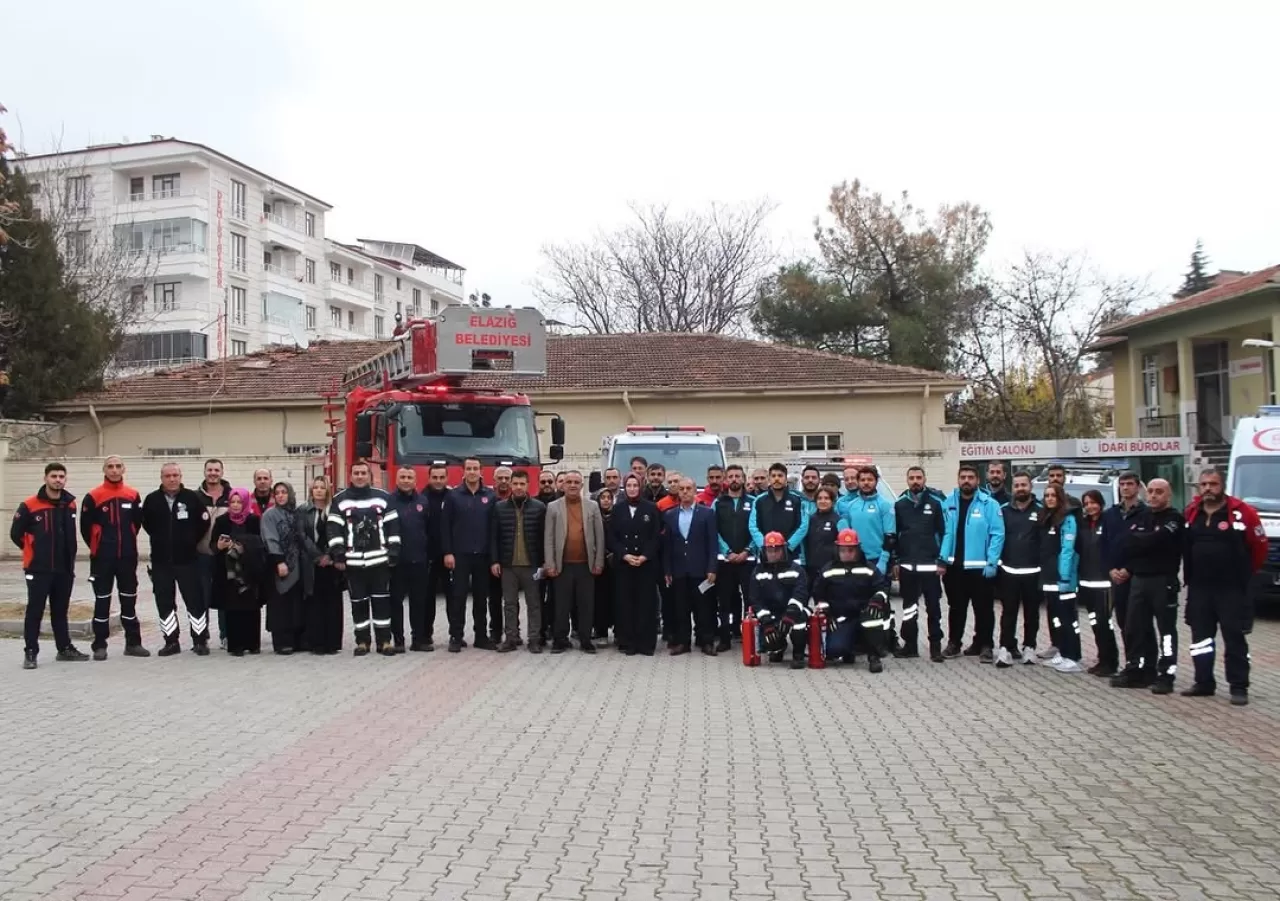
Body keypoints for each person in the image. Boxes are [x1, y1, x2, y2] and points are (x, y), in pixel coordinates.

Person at [1181, 467, 1267, 705]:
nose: (1208, 488)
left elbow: (1259, 546)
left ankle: (1239, 686)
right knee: (1200, 639)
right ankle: (1203, 682)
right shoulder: (1191, 513)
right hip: (1199, 588)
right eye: (1204, 484)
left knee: (1234, 638)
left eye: (1213, 484)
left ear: (1223, 486)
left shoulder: (1243, 513)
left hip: (1231, 589)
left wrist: (1246, 576)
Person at [1112, 478, 1183, 693]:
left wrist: (1144, 540)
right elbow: (1128, 542)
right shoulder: (1141, 515)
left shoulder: (1175, 519)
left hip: (1163, 581)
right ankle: (1139, 669)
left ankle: (1166, 674)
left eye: (1159, 492)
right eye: (1150, 491)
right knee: (1136, 627)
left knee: (1166, 631)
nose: (1153, 496)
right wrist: (1145, 540)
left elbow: (1157, 540)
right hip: (1139, 580)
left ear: (1168, 495)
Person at [13, 463, 87, 669]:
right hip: (38, 569)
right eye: (54, 476)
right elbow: (15, 534)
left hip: (64, 569)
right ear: (45, 478)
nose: (58, 480)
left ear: (65, 479)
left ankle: (64, 648)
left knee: (60, 610)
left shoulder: (70, 504)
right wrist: (34, 551)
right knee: (35, 610)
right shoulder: (29, 505)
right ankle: (30, 652)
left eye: (61, 476)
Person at [328, 460, 400, 656]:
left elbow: (393, 526)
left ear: (370, 476)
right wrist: (338, 555)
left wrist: (393, 552)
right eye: (356, 473)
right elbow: (333, 529)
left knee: (381, 602)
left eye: (363, 473)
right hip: (353, 564)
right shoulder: (340, 500)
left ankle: (384, 641)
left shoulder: (383, 498)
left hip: (380, 561)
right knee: (358, 604)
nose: (360, 476)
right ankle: (362, 642)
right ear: (350, 476)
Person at [81, 455, 148, 660]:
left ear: (124, 469)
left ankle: (133, 643)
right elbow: (85, 529)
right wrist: (100, 546)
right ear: (104, 470)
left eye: (118, 466)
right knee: (102, 601)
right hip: (102, 558)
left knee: (129, 601)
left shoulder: (133, 495)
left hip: (127, 557)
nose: (114, 470)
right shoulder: (93, 496)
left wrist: (126, 542)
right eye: (110, 466)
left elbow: (136, 525)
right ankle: (100, 645)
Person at [141, 463, 212, 657]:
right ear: (161, 478)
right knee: (164, 602)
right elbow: (147, 524)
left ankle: (199, 640)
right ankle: (171, 641)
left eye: (175, 475)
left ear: (181, 476)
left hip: (187, 560)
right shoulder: (152, 500)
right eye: (168, 476)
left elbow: (204, 522)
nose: (172, 479)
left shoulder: (192, 498)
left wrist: (189, 540)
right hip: (161, 562)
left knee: (194, 601)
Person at [939, 464, 1005, 661]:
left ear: (977, 480)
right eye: (963, 477)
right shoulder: (948, 503)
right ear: (958, 480)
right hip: (954, 567)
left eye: (970, 477)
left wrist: (992, 562)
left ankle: (985, 645)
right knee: (956, 608)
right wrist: (941, 559)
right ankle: (954, 644)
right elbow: (942, 532)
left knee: (983, 609)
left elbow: (997, 534)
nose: (966, 481)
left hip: (980, 568)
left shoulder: (989, 504)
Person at [544, 471, 606, 654]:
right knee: (561, 605)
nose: (572, 485)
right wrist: (550, 564)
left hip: (586, 564)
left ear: (581, 485)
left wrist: (599, 562)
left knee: (586, 604)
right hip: (562, 564)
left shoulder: (592, 506)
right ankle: (560, 639)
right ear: (562, 485)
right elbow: (548, 538)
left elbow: (599, 537)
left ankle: (585, 640)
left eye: (576, 482)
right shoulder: (553, 507)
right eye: (569, 482)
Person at [811, 529, 890, 672]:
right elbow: (818, 594)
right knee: (834, 650)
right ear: (837, 549)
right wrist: (827, 612)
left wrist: (878, 599)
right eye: (843, 550)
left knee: (872, 616)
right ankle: (850, 649)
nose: (847, 554)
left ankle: (874, 657)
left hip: (865, 614)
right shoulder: (828, 570)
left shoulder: (869, 569)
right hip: (842, 617)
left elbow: (883, 587)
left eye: (851, 550)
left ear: (858, 550)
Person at [834, 467, 895, 642]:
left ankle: (888, 639)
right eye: (863, 480)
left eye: (870, 479)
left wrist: (883, 562)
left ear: (876, 482)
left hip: (878, 560)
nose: (866, 483)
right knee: (858, 601)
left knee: (882, 602)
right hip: (857, 561)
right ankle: (861, 640)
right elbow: (845, 530)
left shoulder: (885, 505)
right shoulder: (850, 506)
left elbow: (890, 536)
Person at [490, 469, 547, 653]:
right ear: (511, 485)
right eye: (516, 484)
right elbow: (494, 537)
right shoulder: (499, 508)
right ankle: (511, 638)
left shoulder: (539, 508)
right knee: (509, 604)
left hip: (531, 565)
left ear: (528, 485)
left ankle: (534, 639)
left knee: (534, 603)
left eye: (522, 484)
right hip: (508, 565)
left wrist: (544, 562)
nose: (519, 487)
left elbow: (544, 537)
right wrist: (495, 561)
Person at [442, 458, 496, 651]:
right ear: (463, 472)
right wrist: (448, 552)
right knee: (458, 598)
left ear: (482, 471)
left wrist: (493, 557)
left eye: (475, 468)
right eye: (469, 469)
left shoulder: (490, 496)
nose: (472, 472)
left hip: (482, 555)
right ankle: (456, 637)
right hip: (460, 555)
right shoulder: (453, 496)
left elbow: (493, 529)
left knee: (481, 599)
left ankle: (481, 637)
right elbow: (445, 527)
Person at [893, 466, 946, 661]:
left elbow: (944, 533)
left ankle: (935, 647)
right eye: (912, 478)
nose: (915, 481)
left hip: (930, 565)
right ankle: (910, 645)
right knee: (909, 608)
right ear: (907, 481)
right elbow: (895, 535)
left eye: (919, 477)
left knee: (933, 608)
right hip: (907, 566)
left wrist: (942, 560)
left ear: (924, 479)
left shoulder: (935, 502)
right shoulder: (899, 505)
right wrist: (896, 561)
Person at [663, 476, 719, 656]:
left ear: (696, 491)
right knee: (681, 608)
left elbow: (713, 543)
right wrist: (668, 570)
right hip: (679, 570)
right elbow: (668, 545)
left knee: (704, 608)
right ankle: (683, 642)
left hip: (701, 570)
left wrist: (712, 567)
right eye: (682, 489)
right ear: (677, 492)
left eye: (688, 488)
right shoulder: (670, 515)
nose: (685, 492)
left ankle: (706, 641)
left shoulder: (707, 513)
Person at [993, 472, 1044, 668]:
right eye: (1017, 485)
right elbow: (997, 538)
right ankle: (1005, 648)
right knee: (1008, 612)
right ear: (1012, 488)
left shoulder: (1041, 510)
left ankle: (1029, 647)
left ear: (1030, 487)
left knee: (1032, 613)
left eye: (1024, 485)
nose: (1020, 488)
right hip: (1009, 571)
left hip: (1033, 571)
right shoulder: (1004, 510)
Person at [609, 474, 662, 656]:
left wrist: (645, 556)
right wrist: (624, 555)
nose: (632, 488)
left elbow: (656, 536)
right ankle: (628, 642)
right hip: (625, 565)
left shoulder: (651, 508)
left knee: (646, 604)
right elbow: (612, 537)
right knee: (626, 604)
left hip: (645, 565)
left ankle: (646, 644)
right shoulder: (618, 509)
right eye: (629, 485)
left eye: (635, 485)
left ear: (641, 487)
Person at [210, 489, 266, 656]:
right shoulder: (221, 521)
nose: (235, 505)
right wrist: (219, 547)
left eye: (239, 502)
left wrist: (243, 546)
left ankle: (253, 644)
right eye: (232, 502)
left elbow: (259, 543)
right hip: (229, 573)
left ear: (245, 503)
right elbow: (213, 545)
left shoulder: (254, 520)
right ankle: (235, 645)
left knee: (251, 608)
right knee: (233, 609)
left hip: (250, 571)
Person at [1101, 471, 1145, 675]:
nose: (1125, 488)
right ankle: (1129, 663)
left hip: (1137, 576)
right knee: (1122, 622)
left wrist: (1129, 569)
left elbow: (1145, 547)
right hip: (1115, 577)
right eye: (1123, 484)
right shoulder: (1111, 514)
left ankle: (1140, 664)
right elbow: (1106, 544)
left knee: (1137, 623)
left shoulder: (1146, 513)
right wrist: (1111, 569)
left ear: (1137, 487)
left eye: (1130, 484)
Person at [747, 531, 809, 669]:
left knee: (799, 624)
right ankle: (778, 648)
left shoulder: (796, 570)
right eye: (770, 550)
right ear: (764, 551)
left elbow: (801, 594)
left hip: (794, 612)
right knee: (769, 641)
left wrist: (790, 615)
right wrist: (767, 622)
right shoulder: (758, 571)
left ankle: (798, 655)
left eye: (777, 550)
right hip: (771, 614)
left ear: (783, 550)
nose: (773, 554)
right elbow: (755, 599)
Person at [1038, 483, 1083, 673]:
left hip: (1063, 579)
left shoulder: (1068, 520)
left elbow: (1067, 550)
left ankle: (1073, 656)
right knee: (1055, 617)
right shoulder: (1047, 518)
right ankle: (1061, 652)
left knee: (1068, 618)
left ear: (1060, 498)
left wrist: (1064, 577)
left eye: (1053, 495)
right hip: (1049, 577)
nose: (1049, 498)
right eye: (1046, 495)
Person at [388, 466, 432, 652]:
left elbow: (428, 530)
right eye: (403, 477)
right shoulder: (388, 502)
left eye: (409, 477)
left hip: (419, 561)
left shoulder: (423, 501)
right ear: (397, 480)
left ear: (415, 481)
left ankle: (418, 640)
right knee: (395, 602)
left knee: (419, 602)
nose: (406, 480)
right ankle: (398, 640)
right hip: (396, 562)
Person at [298, 476, 343, 655]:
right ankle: (316, 643)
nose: (318, 490)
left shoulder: (335, 510)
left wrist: (330, 556)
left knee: (332, 603)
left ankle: (332, 643)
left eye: (321, 487)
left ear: (327, 490)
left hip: (332, 563)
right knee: (314, 603)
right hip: (312, 563)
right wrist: (317, 556)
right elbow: (302, 535)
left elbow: (340, 533)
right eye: (315, 487)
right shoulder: (303, 510)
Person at [1076, 489, 1119, 676]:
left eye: (1093, 502)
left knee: (1105, 624)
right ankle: (1102, 659)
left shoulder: (1109, 521)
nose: (1089, 506)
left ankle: (1111, 661)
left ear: (1100, 503)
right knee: (1094, 623)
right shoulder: (1083, 524)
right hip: (1086, 581)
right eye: (1086, 503)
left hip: (1105, 584)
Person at [712, 464, 755, 652]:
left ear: (744, 479)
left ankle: (750, 636)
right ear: (725, 480)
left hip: (749, 560)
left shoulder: (754, 502)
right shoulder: (718, 503)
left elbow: (757, 529)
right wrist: (727, 551)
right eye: (731, 476)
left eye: (738, 476)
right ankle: (724, 638)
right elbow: (714, 531)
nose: (734, 479)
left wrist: (747, 550)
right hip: (725, 561)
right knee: (725, 600)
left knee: (750, 599)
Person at [261, 481, 305, 655]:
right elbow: (270, 539)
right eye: (277, 492)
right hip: (279, 564)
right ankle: (281, 642)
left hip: (298, 565)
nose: (280, 495)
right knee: (280, 604)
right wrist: (279, 561)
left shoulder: (296, 513)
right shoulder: (270, 515)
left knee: (296, 603)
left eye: (284, 492)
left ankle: (297, 640)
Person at [197, 459, 232, 648]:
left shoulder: (231, 496)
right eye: (209, 470)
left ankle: (226, 636)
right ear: (204, 472)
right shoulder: (195, 497)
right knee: (201, 598)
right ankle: (201, 637)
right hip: (202, 555)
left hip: (225, 557)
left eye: (216, 470)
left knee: (225, 597)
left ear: (222, 472)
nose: (213, 473)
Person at [749, 463, 809, 563]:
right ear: (769, 479)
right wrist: (764, 545)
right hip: (766, 554)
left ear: (786, 479)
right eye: (773, 476)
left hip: (791, 554)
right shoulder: (759, 501)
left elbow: (803, 526)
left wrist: (788, 546)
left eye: (780, 476)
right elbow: (753, 526)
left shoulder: (797, 500)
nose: (777, 479)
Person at [423, 464, 452, 644]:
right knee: (427, 599)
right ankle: (426, 635)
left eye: (442, 477)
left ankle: (455, 635)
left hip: (449, 557)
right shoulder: (421, 499)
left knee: (453, 599)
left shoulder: (453, 497)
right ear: (429, 478)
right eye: (435, 477)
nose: (438, 481)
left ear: (447, 478)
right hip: (428, 557)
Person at [803, 485, 843, 586]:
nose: (823, 501)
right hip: (811, 569)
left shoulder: (838, 521)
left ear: (832, 501)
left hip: (831, 569)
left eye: (826, 498)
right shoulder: (810, 520)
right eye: (820, 498)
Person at [594, 488, 617, 643]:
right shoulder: (593, 516)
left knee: (617, 598)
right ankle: (600, 632)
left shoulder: (617, 516)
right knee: (599, 599)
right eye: (603, 497)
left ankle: (618, 631)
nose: (606, 500)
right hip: (599, 561)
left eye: (609, 497)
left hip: (616, 562)